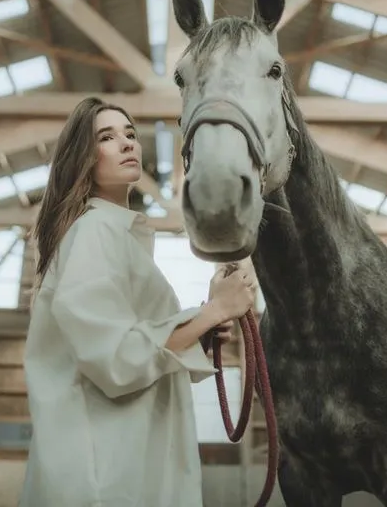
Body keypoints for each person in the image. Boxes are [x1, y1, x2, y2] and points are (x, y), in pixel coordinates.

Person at [19, 97, 255, 507]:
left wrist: (200, 328)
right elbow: (116, 357)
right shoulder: (94, 232)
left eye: (130, 134)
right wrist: (214, 311)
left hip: (125, 462)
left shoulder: (117, 236)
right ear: (83, 157)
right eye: (107, 137)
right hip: (106, 476)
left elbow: (131, 347)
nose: (128, 143)